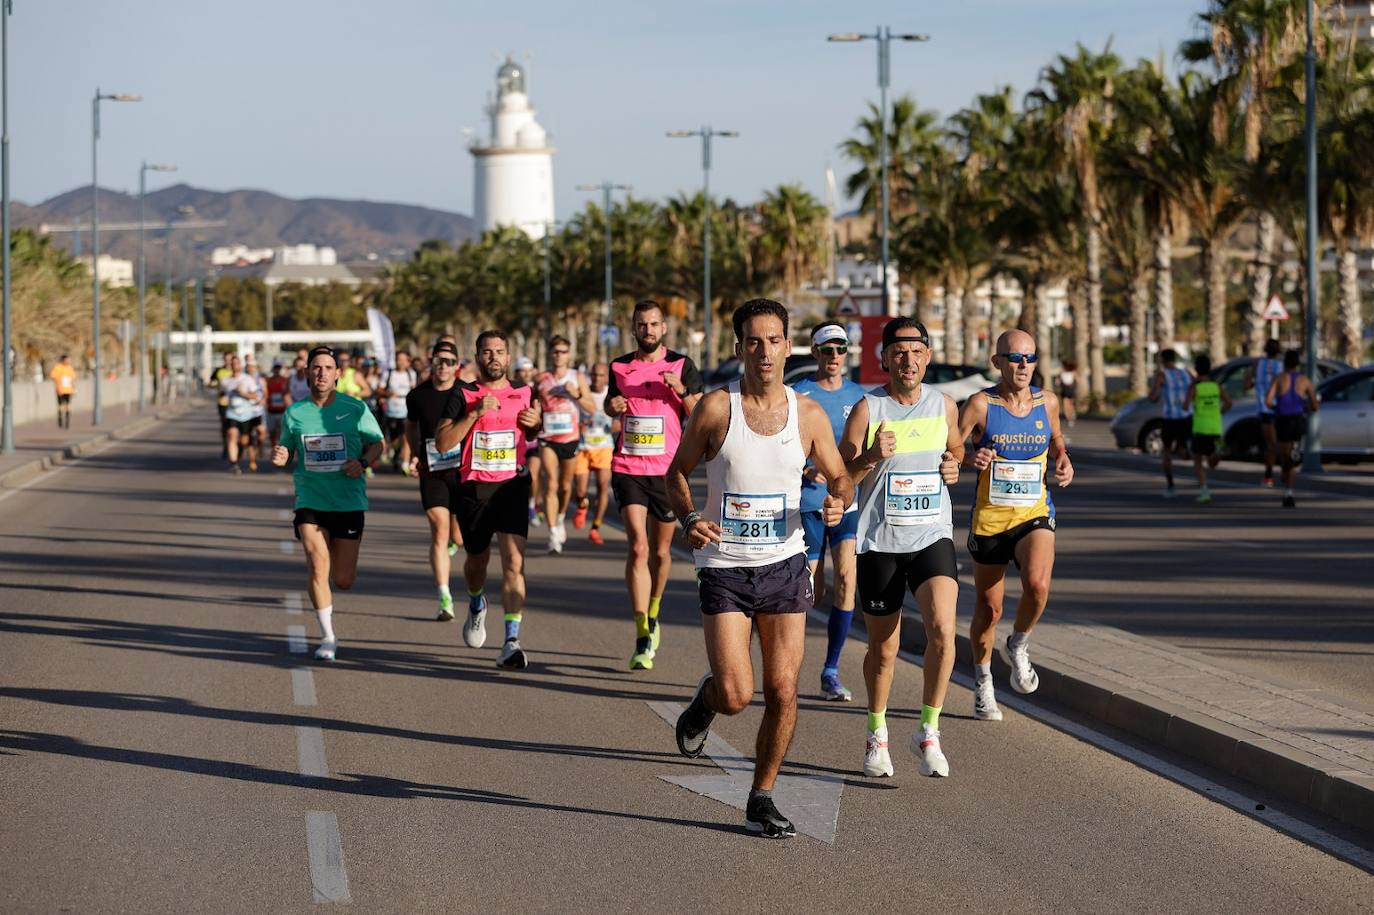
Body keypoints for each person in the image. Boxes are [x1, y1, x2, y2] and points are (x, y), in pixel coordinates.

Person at [668, 299, 853, 839]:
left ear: (788, 345)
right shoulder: (714, 410)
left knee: (784, 689)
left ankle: (762, 796)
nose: (765, 351)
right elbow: (675, 475)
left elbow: (839, 477)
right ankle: (706, 703)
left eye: (774, 340)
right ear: (738, 347)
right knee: (735, 695)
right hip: (724, 565)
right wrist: (686, 518)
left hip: (785, 565)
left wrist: (838, 500)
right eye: (754, 341)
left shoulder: (808, 415)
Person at [840, 317, 962, 779]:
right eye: (899, 352)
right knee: (884, 649)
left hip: (932, 533)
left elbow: (955, 451)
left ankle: (928, 730)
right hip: (879, 542)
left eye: (917, 352)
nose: (908, 360)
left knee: (943, 632)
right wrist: (871, 456)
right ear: (884, 359)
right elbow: (844, 479)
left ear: (928, 356)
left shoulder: (944, 405)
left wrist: (953, 466)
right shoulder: (868, 410)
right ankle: (877, 732)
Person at [958, 329, 1073, 726]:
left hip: (1033, 513)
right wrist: (972, 458)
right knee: (989, 609)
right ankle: (984, 682)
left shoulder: (1048, 401)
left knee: (1038, 586)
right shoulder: (980, 405)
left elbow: (1056, 437)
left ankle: (1019, 643)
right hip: (990, 519)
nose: (1023, 365)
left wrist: (1063, 457)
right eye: (1014, 357)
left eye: (1030, 358)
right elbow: (952, 450)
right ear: (998, 363)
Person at [605, 300, 705, 670]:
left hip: (666, 470)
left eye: (653, 324)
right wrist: (612, 408)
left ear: (664, 328)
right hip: (627, 465)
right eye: (641, 324)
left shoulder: (682, 365)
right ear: (633, 329)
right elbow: (609, 405)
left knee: (661, 553)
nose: (647, 330)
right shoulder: (618, 366)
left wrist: (681, 390)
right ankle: (642, 630)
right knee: (637, 545)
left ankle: (655, 608)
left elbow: (700, 414)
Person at [435, 330, 543, 668]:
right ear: (478, 357)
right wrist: (473, 414)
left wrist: (536, 424)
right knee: (476, 561)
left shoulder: (526, 392)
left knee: (514, 562)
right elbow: (441, 443)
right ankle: (476, 602)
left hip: (512, 485)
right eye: (487, 351)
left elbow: (534, 432)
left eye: (500, 351)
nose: (493, 357)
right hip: (473, 488)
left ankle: (511, 640)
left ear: (509, 357)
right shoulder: (462, 393)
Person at [272, 346, 385, 661]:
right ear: (307, 372)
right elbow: (285, 447)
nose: (322, 373)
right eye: (316, 367)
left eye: (328, 367)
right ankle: (328, 636)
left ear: (338, 373)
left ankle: (330, 600)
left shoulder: (356, 408)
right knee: (317, 563)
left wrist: (362, 462)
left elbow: (378, 443)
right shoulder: (295, 413)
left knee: (343, 579)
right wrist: (281, 454)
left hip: (348, 499)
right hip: (310, 498)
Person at [789, 322, 866, 702]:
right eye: (826, 349)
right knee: (811, 590)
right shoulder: (799, 394)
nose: (834, 356)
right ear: (815, 353)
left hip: (846, 502)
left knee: (848, 581)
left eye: (841, 349)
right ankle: (788, 665)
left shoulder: (860, 396)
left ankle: (831, 670)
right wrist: (805, 467)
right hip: (809, 503)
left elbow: (867, 451)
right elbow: (782, 446)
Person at [406, 341, 466, 621]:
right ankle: (445, 596)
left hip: (462, 470)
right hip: (432, 470)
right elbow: (411, 426)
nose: (443, 366)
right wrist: (415, 453)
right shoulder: (417, 395)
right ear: (431, 363)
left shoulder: (467, 392)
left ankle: (455, 543)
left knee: (459, 536)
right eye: (438, 361)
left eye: (449, 361)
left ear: (457, 366)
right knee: (439, 529)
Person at [535, 337, 595, 553]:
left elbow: (591, 408)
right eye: (555, 351)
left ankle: (560, 518)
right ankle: (552, 533)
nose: (559, 355)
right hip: (547, 438)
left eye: (563, 351)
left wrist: (575, 393)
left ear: (569, 354)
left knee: (565, 485)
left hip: (570, 439)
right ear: (550, 354)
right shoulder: (541, 378)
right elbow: (533, 404)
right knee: (550, 483)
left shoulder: (576, 377)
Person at [1266, 349, 1320, 509]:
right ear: (1297, 364)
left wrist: (1278, 406)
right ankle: (1289, 491)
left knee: (1284, 455)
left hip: (1283, 419)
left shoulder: (1279, 379)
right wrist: (1308, 407)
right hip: (1298, 420)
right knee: (1291, 455)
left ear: (1284, 363)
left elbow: (1268, 401)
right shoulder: (1305, 381)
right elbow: (1315, 405)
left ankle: (1287, 477)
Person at [572, 362, 616, 546]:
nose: (597, 378)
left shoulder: (611, 394)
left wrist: (616, 425)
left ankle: (595, 527)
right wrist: (576, 426)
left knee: (602, 487)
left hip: (604, 447)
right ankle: (582, 505)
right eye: (594, 375)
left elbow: (621, 419)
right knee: (581, 490)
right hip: (583, 447)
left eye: (601, 375)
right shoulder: (582, 392)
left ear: (606, 377)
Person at [1186, 353, 1231, 504]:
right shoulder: (1216, 386)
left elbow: (1185, 406)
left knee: (1197, 459)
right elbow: (1229, 403)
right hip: (1216, 426)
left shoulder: (1195, 387)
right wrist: (1218, 412)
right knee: (1212, 461)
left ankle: (1204, 491)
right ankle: (1215, 453)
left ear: (1197, 369)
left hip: (1200, 427)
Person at [1148, 349, 1192, 498]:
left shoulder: (1162, 374)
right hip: (1186, 417)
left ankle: (1171, 486)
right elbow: (1195, 386)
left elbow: (1153, 397)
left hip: (1170, 418)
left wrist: (1155, 389)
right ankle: (1184, 448)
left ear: (1162, 361)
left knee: (1166, 452)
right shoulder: (1186, 372)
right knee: (1183, 447)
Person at [1246, 339, 1284, 487]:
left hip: (1264, 409)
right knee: (1280, 443)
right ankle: (1281, 473)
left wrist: (1256, 382)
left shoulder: (1257, 364)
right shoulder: (1282, 365)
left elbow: (1247, 385)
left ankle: (1269, 475)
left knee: (1271, 444)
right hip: (1281, 408)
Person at [514, 356, 544, 527]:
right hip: (514, 443)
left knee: (532, 474)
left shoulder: (538, 391)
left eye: (528, 370)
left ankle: (531, 505)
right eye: (522, 371)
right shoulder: (510, 389)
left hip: (533, 443)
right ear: (516, 372)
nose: (525, 374)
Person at [221, 356, 263, 474]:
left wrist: (242, 393)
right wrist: (223, 398)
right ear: (230, 365)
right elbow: (222, 394)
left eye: (237, 363)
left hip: (246, 415)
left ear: (240, 365)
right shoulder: (226, 380)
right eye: (233, 363)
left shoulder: (248, 379)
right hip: (232, 413)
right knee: (232, 434)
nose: (235, 365)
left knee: (245, 441)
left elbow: (255, 396)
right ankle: (234, 464)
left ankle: (241, 450)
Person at [380, 351, 418, 474]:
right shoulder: (388, 373)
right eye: (398, 359)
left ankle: (405, 463)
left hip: (406, 411)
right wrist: (388, 394)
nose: (401, 362)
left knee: (406, 436)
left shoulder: (411, 374)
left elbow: (414, 390)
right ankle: (396, 454)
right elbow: (379, 390)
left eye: (403, 359)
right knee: (394, 439)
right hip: (391, 411)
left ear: (408, 362)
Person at [209, 352, 235, 456]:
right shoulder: (218, 371)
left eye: (230, 359)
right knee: (225, 426)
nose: (228, 361)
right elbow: (210, 383)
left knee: (234, 427)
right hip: (223, 403)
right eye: (226, 359)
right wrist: (217, 386)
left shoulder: (236, 370)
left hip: (236, 404)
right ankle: (225, 445)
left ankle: (235, 446)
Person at [264, 361, 291, 451]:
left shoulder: (285, 380)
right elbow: (265, 393)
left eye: (278, 368)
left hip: (282, 411)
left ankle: (280, 449)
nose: (277, 370)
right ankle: (273, 446)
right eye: (275, 368)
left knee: (281, 432)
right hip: (271, 410)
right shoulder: (268, 380)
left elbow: (288, 393)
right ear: (273, 369)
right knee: (272, 432)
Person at [50, 354, 76, 430]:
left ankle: (67, 422)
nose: (68, 361)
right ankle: (60, 420)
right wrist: (58, 381)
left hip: (68, 390)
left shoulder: (70, 368)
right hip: (60, 390)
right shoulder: (58, 368)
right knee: (60, 406)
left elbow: (73, 378)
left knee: (68, 405)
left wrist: (74, 388)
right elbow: (53, 376)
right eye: (67, 360)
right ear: (63, 360)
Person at [1057, 360, 1078, 428]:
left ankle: (1072, 414)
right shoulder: (1061, 372)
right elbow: (1058, 381)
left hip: (1071, 389)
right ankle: (1069, 420)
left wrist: (1074, 384)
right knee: (1066, 405)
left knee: (1071, 404)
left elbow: (1077, 379)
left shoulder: (1073, 372)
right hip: (1065, 389)